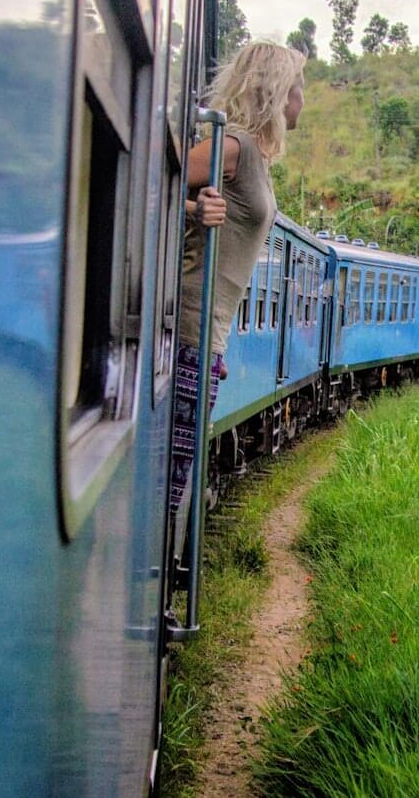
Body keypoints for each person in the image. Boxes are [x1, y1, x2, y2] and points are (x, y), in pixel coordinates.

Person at [169, 41, 307, 540]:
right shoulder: (235, 147)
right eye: (299, 88)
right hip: (192, 323)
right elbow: (151, 179)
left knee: (178, 472)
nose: (303, 100)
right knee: (171, 480)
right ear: (277, 92)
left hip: (209, 333)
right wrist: (193, 209)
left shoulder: (255, 158)